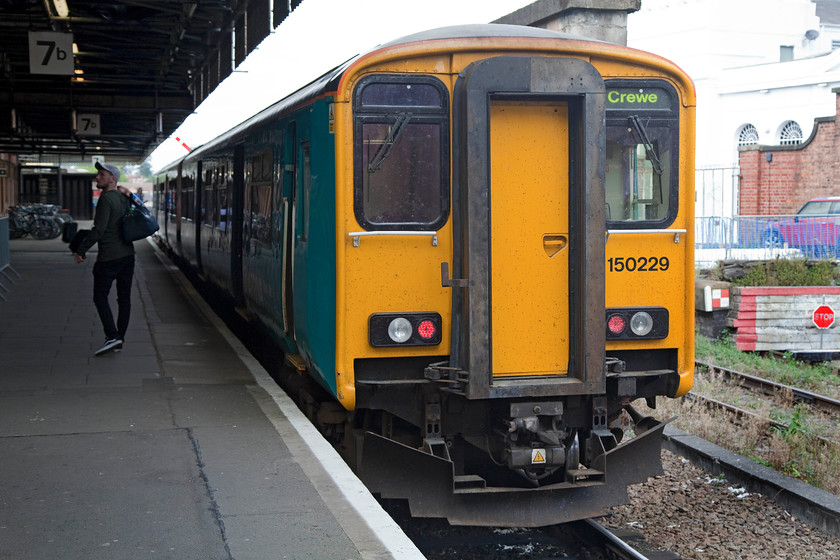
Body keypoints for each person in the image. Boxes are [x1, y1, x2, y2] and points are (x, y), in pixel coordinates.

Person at [74, 162, 135, 356]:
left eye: (101, 175)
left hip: (109, 257)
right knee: (124, 299)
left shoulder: (106, 199)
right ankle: (119, 339)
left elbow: (98, 230)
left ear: (112, 179)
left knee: (100, 297)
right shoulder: (124, 197)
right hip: (128, 256)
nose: (97, 178)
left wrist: (81, 249)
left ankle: (112, 336)